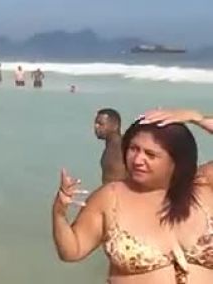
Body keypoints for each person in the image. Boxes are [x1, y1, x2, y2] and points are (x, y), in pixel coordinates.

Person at [52, 119, 213, 283]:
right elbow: (72, 251)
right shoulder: (110, 198)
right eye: (133, 149)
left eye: (150, 154)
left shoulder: (204, 187)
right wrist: (59, 214)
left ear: (177, 160)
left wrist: (195, 118)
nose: (137, 160)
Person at [94, 108, 127, 184]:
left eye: (100, 124)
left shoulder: (124, 146)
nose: (96, 127)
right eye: (96, 124)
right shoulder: (109, 148)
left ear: (115, 125)